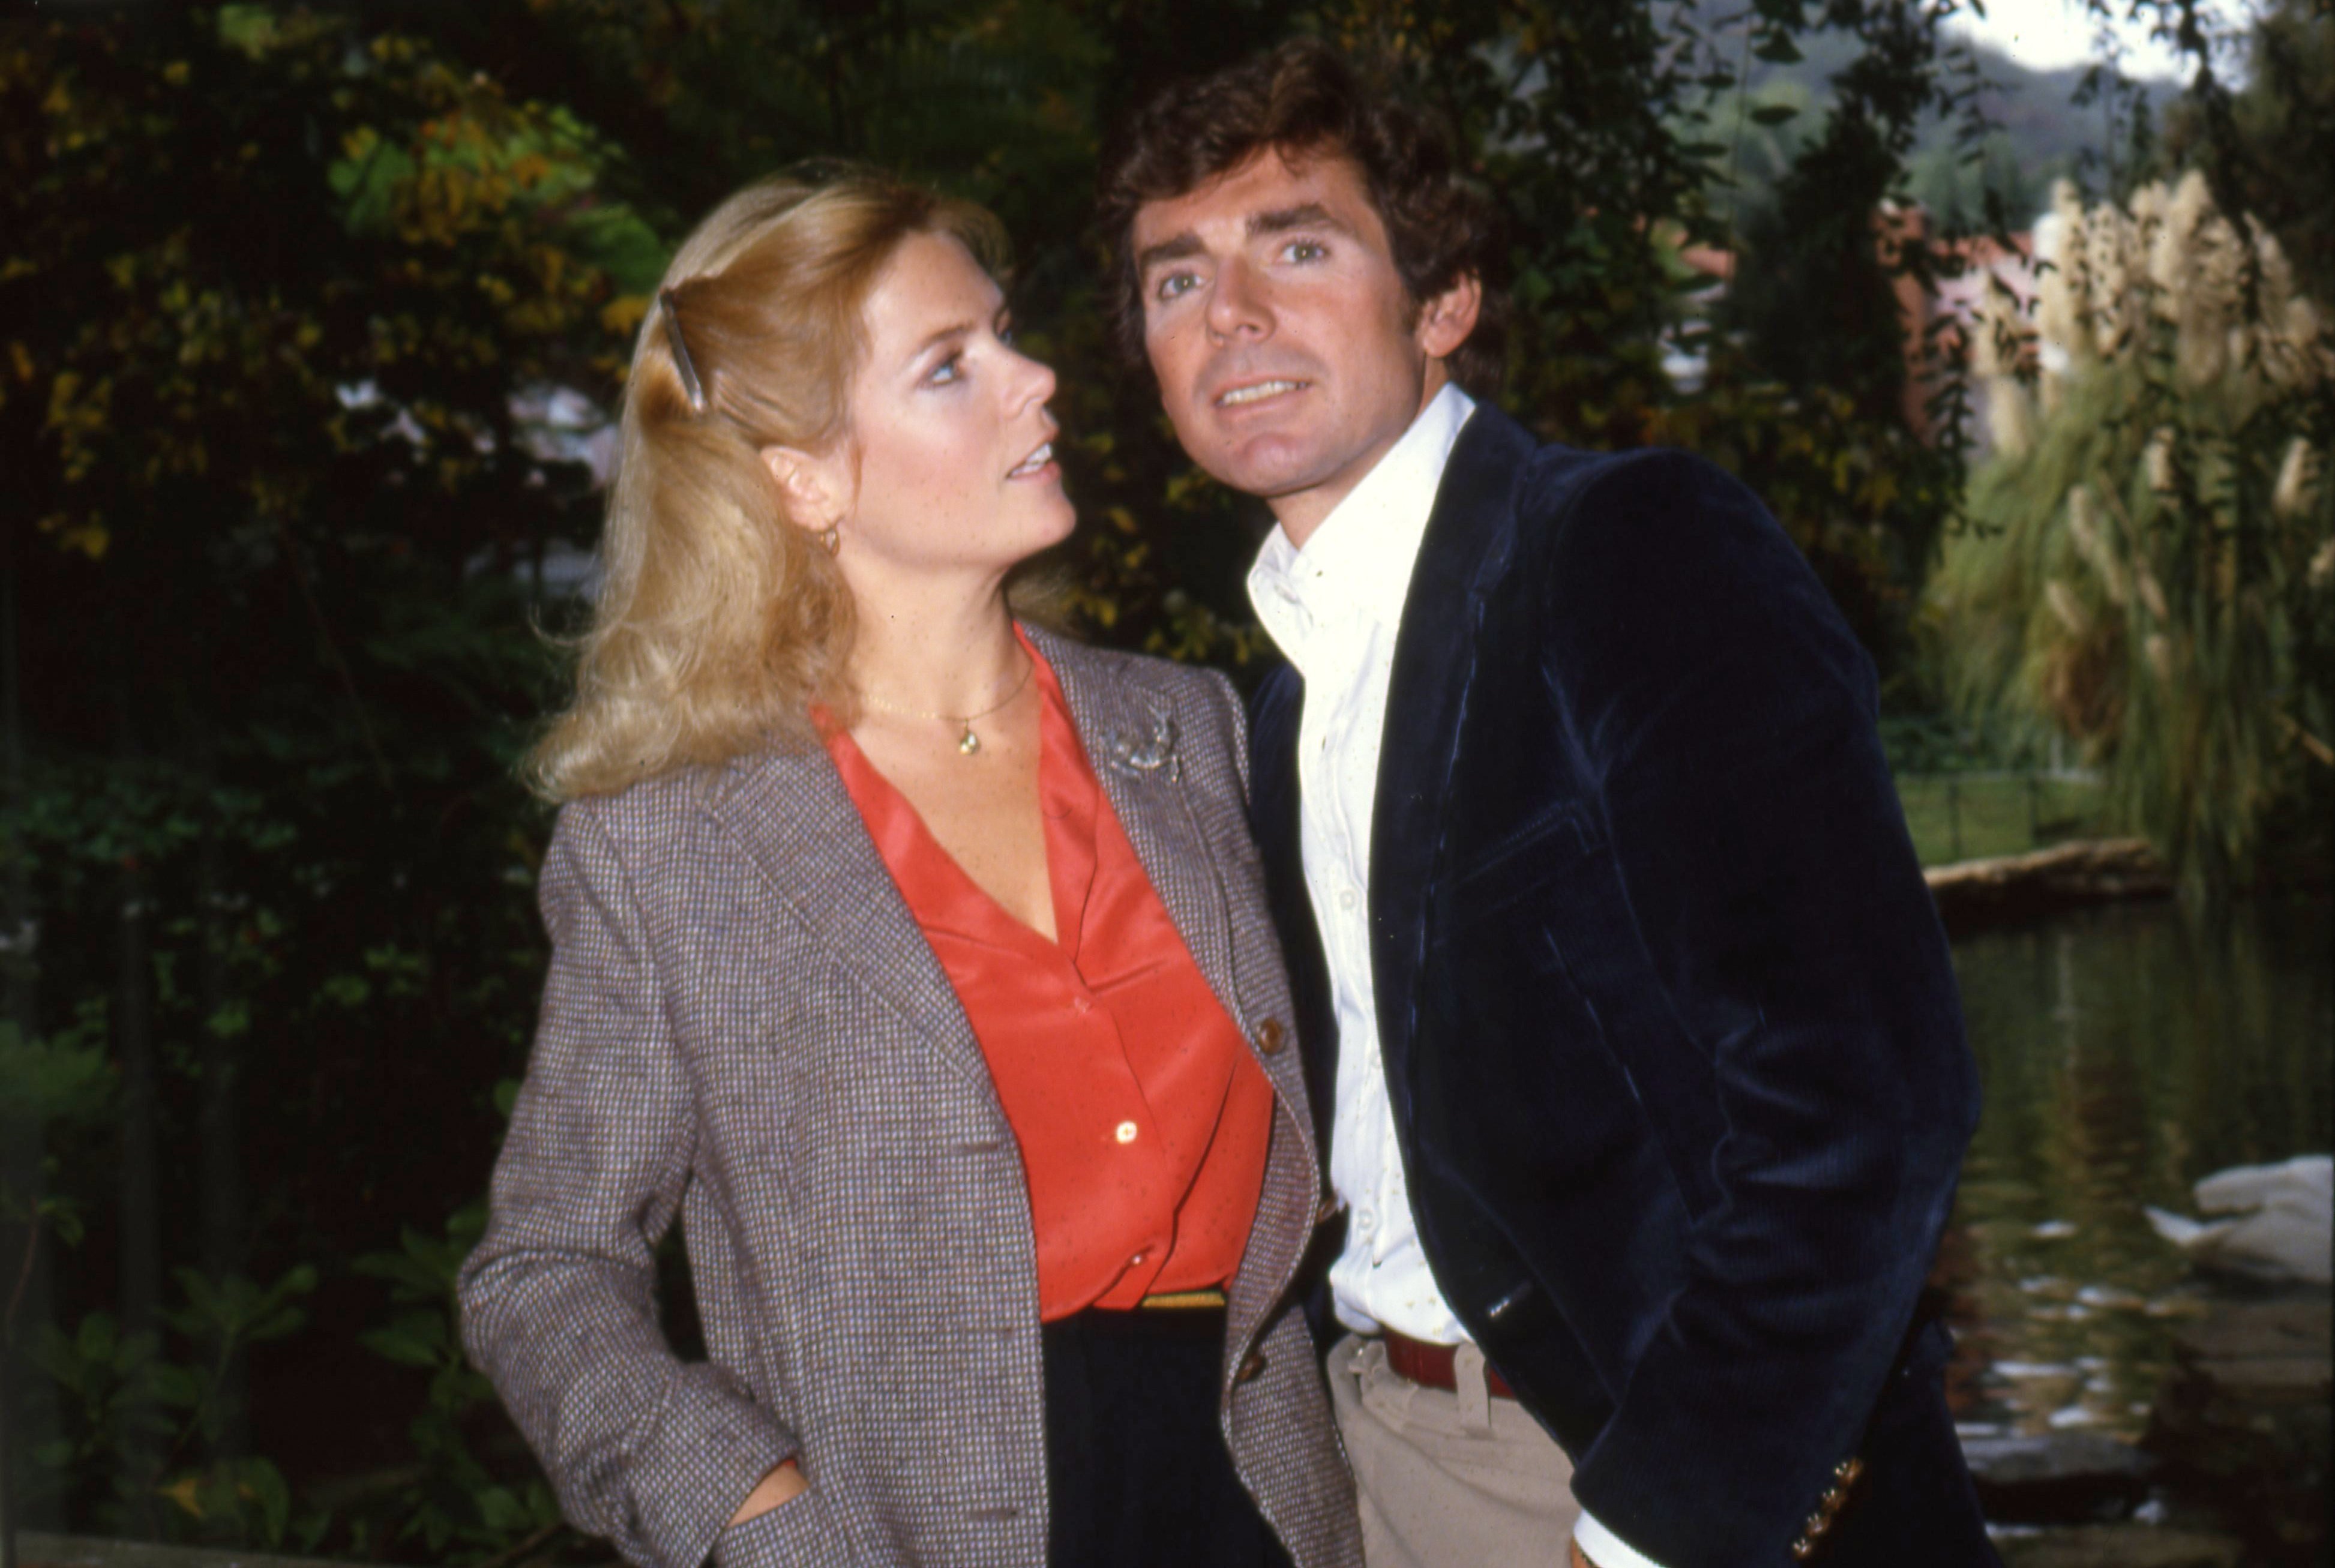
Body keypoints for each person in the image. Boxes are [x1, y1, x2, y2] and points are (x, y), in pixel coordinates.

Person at [1097, 41, 1998, 1568]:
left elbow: (1866, 1095)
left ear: (1440, 303)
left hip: (1626, 1472)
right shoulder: (1276, 710)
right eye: (1175, 279)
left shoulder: (1626, 553)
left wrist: (1652, 1522)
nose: (1229, 313)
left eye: (1298, 246)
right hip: (1369, 1456)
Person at [457, 164, 1362, 1568]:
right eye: (952, 365)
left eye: (1005, 331)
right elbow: (541, 1272)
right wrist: (755, 1514)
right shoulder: (670, 842)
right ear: (801, 478)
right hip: (901, 1529)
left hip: (1252, 1504)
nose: (1036, 378)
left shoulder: (1185, 729)